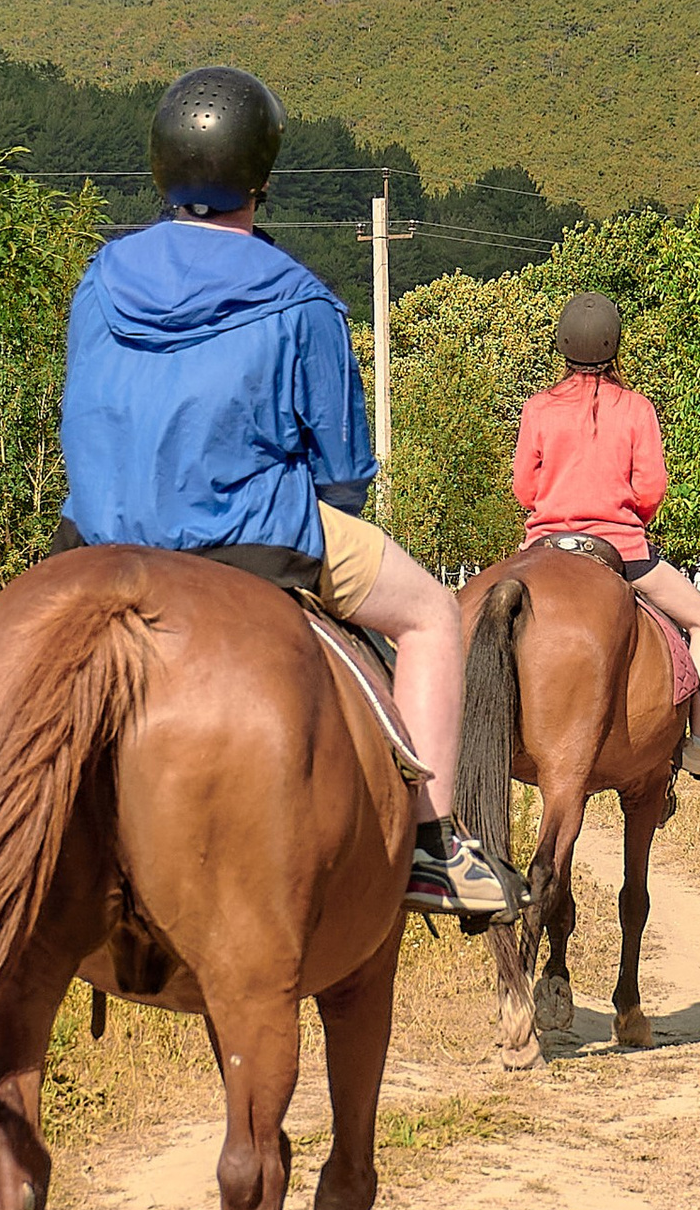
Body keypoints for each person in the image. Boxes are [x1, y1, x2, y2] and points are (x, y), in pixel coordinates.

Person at [58, 66, 521, 924]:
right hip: (252, 539)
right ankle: (432, 844)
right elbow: (344, 474)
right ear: (261, 175)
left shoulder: (100, 277)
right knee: (430, 616)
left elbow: (82, 414)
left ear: (163, 165)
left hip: (98, 543)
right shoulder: (301, 299)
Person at [510, 293, 700, 785]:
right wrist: (629, 514)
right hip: (622, 554)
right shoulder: (637, 409)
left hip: (545, 548)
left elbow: (524, 489)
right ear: (615, 347)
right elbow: (651, 490)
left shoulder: (538, 408)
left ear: (563, 345)